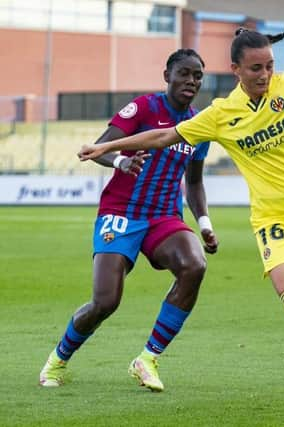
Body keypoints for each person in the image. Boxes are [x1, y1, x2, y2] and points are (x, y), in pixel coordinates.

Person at [78, 23, 284, 415]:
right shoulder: (220, 115)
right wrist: (108, 145)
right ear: (235, 70)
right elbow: (164, 136)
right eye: (255, 69)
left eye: (269, 66)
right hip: (274, 220)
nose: (264, 75)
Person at [39, 49, 219, 392]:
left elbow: (194, 182)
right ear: (167, 75)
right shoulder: (144, 108)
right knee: (105, 302)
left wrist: (206, 223)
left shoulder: (199, 126)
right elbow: (100, 148)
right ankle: (58, 359)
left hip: (164, 217)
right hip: (121, 213)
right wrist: (120, 162)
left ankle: (147, 358)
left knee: (194, 264)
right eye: (184, 73)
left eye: (197, 76)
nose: (191, 81)